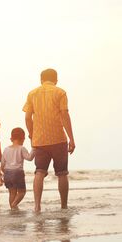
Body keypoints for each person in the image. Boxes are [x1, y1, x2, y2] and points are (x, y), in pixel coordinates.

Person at [23, 68, 76, 212]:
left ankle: (37, 206)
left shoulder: (32, 94)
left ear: (41, 79)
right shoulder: (60, 92)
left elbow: (27, 118)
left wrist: (32, 134)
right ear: (56, 79)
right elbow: (65, 115)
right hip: (58, 139)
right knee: (62, 173)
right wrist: (71, 139)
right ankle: (64, 206)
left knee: (39, 172)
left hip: (40, 141)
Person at [1, 127, 35, 210]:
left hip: (7, 173)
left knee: (12, 193)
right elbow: (30, 158)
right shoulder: (21, 148)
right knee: (22, 192)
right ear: (23, 138)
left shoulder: (6, 149)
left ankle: (13, 209)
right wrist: (34, 147)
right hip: (17, 173)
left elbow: (2, 164)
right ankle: (14, 205)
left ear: (11, 138)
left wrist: (5, 173)